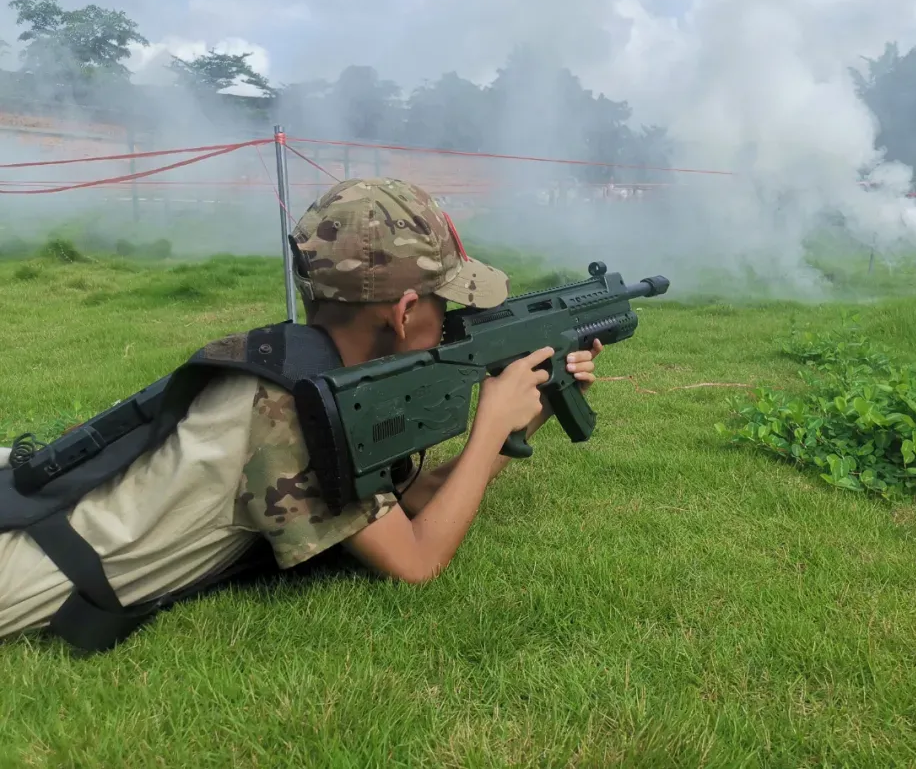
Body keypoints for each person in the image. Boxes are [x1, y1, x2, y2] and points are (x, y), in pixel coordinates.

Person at [0, 177, 603, 641]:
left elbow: (409, 502)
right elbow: (416, 559)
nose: (453, 325)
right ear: (403, 312)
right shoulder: (296, 410)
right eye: (445, 308)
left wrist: (523, 421)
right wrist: (490, 423)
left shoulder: (309, 370)